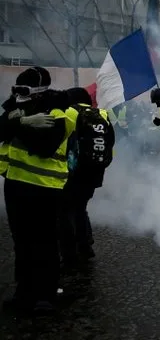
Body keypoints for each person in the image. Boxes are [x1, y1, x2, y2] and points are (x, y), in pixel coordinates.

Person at [0, 67, 74, 314]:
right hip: (16, 184)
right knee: (21, 243)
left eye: (23, 90)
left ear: (39, 90)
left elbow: (44, 146)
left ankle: (46, 294)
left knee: (44, 242)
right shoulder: (15, 107)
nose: (18, 94)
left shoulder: (57, 110)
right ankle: (24, 292)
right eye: (15, 89)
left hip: (45, 187)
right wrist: (21, 121)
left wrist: (16, 125)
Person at [59, 87, 115, 270]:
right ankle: (86, 244)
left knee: (67, 210)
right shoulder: (103, 114)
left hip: (74, 170)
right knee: (81, 207)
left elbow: (60, 138)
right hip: (96, 170)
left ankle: (70, 253)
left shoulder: (70, 112)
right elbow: (111, 141)